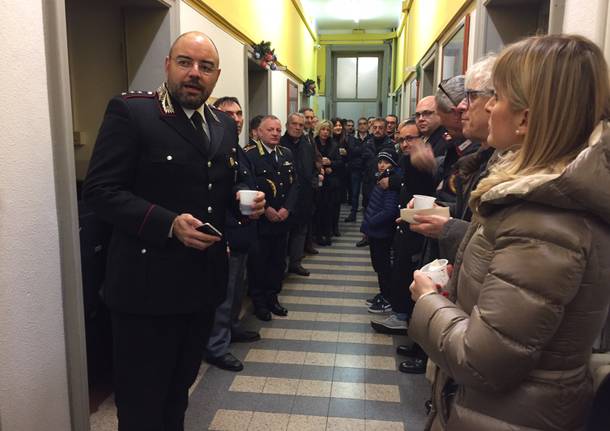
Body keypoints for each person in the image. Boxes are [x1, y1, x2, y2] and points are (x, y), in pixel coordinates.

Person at [410, 34, 610, 430]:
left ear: (525, 118)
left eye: (495, 96)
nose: (486, 107)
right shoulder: (543, 201)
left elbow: (484, 362)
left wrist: (429, 301)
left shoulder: (543, 219)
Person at [82, 31, 265, 430]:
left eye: (206, 67)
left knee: (179, 389)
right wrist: (168, 224)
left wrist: (241, 200)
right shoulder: (133, 112)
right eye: (185, 62)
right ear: (167, 64)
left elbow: (214, 184)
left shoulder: (221, 124)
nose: (194, 73)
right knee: (142, 401)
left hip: (201, 286)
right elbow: (100, 191)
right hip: (144, 288)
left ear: (217, 76)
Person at [205, 97, 260, 373]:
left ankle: (233, 328)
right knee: (224, 294)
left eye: (239, 114)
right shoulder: (212, 149)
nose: (236, 119)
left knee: (237, 287)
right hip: (224, 234)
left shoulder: (237, 149)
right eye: (229, 114)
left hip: (242, 233)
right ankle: (216, 346)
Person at [369, 118, 435, 327]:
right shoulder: (408, 160)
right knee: (397, 269)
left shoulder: (425, 161)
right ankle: (399, 311)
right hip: (404, 223)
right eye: (402, 139)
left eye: (410, 138)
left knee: (404, 271)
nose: (405, 144)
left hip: (420, 228)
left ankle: (403, 315)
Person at [246, 115, 299, 322]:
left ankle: (273, 297)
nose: (276, 133)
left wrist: (287, 208)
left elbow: (295, 184)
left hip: (282, 220)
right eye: (270, 130)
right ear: (258, 132)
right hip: (261, 221)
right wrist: (266, 208)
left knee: (278, 263)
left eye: (278, 129)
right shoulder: (249, 155)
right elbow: (249, 186)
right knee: (259, 263)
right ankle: (259, 302)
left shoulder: (286, 153)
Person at [360, 149, 400, 314]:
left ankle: (388, 298)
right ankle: (384, 294)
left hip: (382, 232)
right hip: (375, 231)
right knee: (379, 266)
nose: (382, 164)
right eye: (380, 161)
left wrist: (369, 222)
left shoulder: (389, 183)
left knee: (383, 267)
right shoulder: (381, 178)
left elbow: (389, 211)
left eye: (386, 162)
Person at [282, 112, 319, 276]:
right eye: (294, 124)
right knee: (284, 234)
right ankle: (281, 267)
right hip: (285, 199)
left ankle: (295, 263)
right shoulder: (280, 144)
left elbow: (312, 165)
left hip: (305, 195)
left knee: (300, 231)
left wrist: (314, 179)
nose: (297, 127)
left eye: (301, 125)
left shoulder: (307, 143)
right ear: (287, 125)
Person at [314, 120, 343, 246]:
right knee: (318, 209)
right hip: (317, 181)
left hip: (331, 181)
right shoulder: (312, 143)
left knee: (329, 208)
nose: (325, 132)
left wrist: (330, 163)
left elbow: (340, 162)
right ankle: (318, 234)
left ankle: (328, 233)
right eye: (323, 129)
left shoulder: (334, 144)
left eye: (327, 130)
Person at [344, 117, 369, 222]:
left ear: (367, 125)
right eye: (360, 124)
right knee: (354, 193)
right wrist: (363, 150)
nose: (362, 125)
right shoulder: (351, 138)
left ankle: (367, 215)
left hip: (367, 169)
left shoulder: (371, 138)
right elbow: (351, 151)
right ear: (357, 126)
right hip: (355, 169)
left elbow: (369, 152)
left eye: (364, 123)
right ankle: (353, 213)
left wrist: (359, 150)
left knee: (367, 193)